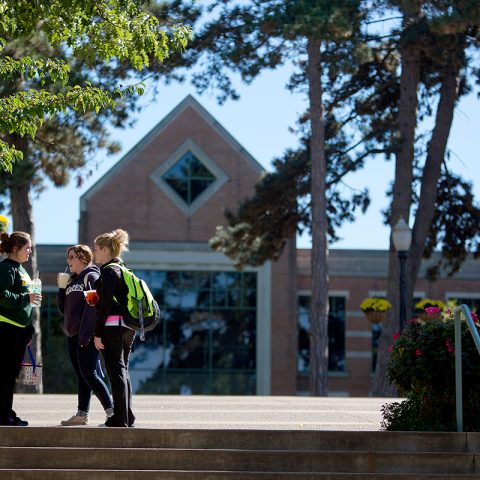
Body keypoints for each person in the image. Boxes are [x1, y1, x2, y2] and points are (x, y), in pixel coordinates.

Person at [57, 245, 114, 426]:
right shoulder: (73, 280)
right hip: (72, 335)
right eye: (68, 257)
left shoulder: (91, 276)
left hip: (86, 335)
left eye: (72, 257)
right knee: (81, 374)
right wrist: (61, 287)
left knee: (90, 374)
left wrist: (86, 334)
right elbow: (62, 309)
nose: (69, 261)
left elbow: (93, 306)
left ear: (83, 258)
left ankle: (112, 412)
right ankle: (82, 414)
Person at [93, 229, 135, 427]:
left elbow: (106, 305)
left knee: (115, 372)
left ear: (104, 249)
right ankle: (127, 415)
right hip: (128, 327)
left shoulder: (109, 271)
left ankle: (119, 418)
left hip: (112, 327)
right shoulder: (123, 268)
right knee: (123, 371)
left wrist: (98, 333)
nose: (94, 253)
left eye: (96, 249)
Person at [0, 231, 41, 426]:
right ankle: (3, 415)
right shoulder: (6, 268)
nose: (30, 251)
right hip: (5, 329)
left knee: (11, 375)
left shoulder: (21, 269)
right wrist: (26, 298)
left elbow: (27, 302)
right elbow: (2, 296)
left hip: (18, 330)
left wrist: (28, 328)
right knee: (5, 374)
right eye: (27, 247)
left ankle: (7, 412)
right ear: (15, 248)